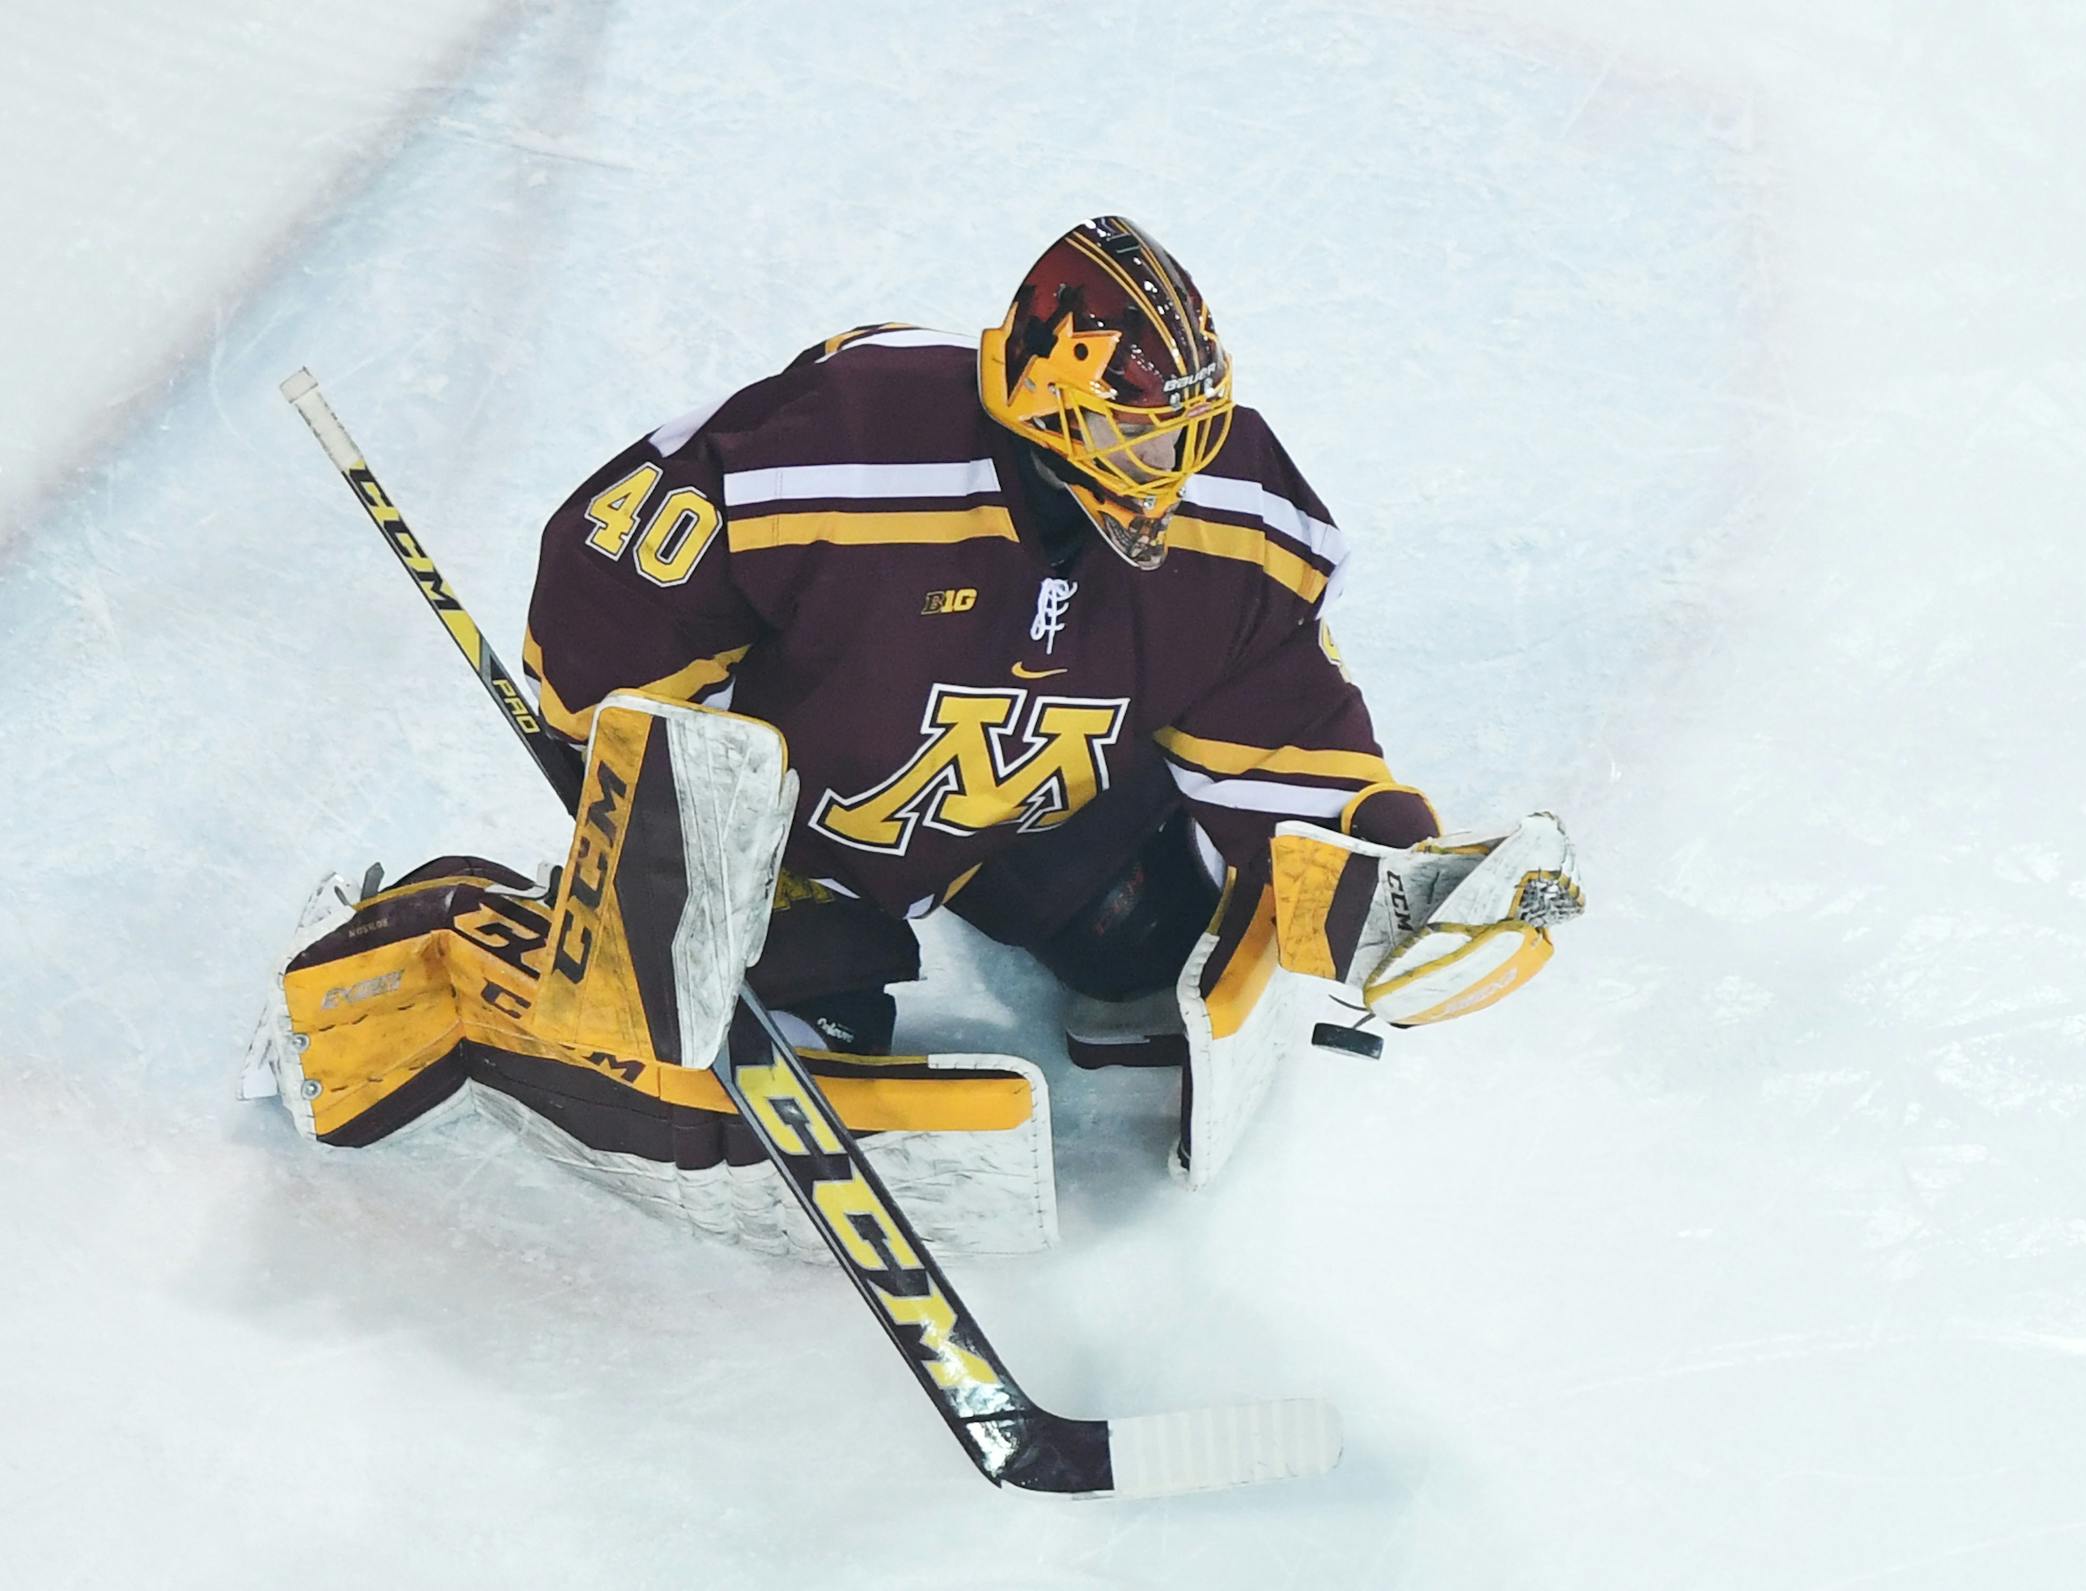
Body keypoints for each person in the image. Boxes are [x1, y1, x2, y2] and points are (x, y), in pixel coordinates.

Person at [245, 217, 1581, 1251]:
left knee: (1152, 941)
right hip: (816, 833)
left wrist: (1396, 864)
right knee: (722, 1056)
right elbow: (609, 579)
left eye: (1188, 424)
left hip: (1029, 796)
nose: (1176, 461)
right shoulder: (838, 451)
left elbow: (1274, 707)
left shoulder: (1225, 510)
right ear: (1050, 397)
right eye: (1138, 427)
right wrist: (672, 819)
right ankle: (433, 946)